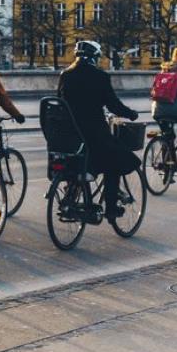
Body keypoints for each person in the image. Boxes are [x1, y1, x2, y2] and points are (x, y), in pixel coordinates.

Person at [56, 41, 140, 220]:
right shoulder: (100, 76)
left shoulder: (66, 75)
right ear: (95, 57)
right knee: (114, 163)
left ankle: (72, 193)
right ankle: (111, 208)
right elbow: (113, 104)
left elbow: (59, 101)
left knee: (79, 161)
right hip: (94, 134)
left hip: (69, 134)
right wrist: (130, 114)